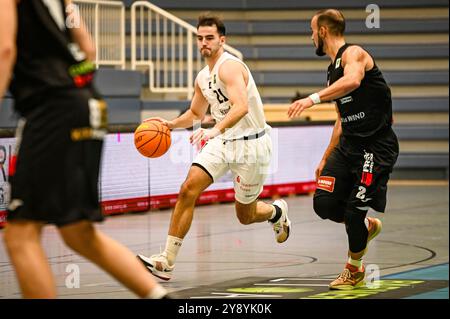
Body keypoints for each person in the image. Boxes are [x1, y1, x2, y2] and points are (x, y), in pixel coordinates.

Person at [0, 0, 168, 298]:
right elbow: (88, 50)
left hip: (52, 109)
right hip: (87, 102)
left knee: (20, 233)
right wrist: (72, 79)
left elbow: (5, 50)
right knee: (79, 232)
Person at [137, 14, 291, 281]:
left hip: (250, 145)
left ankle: (276, 212)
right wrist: (171, 124)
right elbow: (196, 113)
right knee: (188, 189)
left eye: (209, 38)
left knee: (246, 215)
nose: (204, 43)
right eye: (200, 38)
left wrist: (215, 129)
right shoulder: (202, 77)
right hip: (222, 142)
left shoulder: (230, 67)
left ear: (222, 40)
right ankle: (167, 260)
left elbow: (241, 107)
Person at [288, 9, 399, 290]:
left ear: (322, 32)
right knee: (323, 203)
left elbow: (353, 81)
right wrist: (326, 156)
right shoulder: (331, 70)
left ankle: (354, 269)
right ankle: (366, 227)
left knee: (352, 213)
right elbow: (341, 119)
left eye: (312, 31)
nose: (311, 36)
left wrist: (312, 99)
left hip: (375, 148)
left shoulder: (355, 54)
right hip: (348, 145)